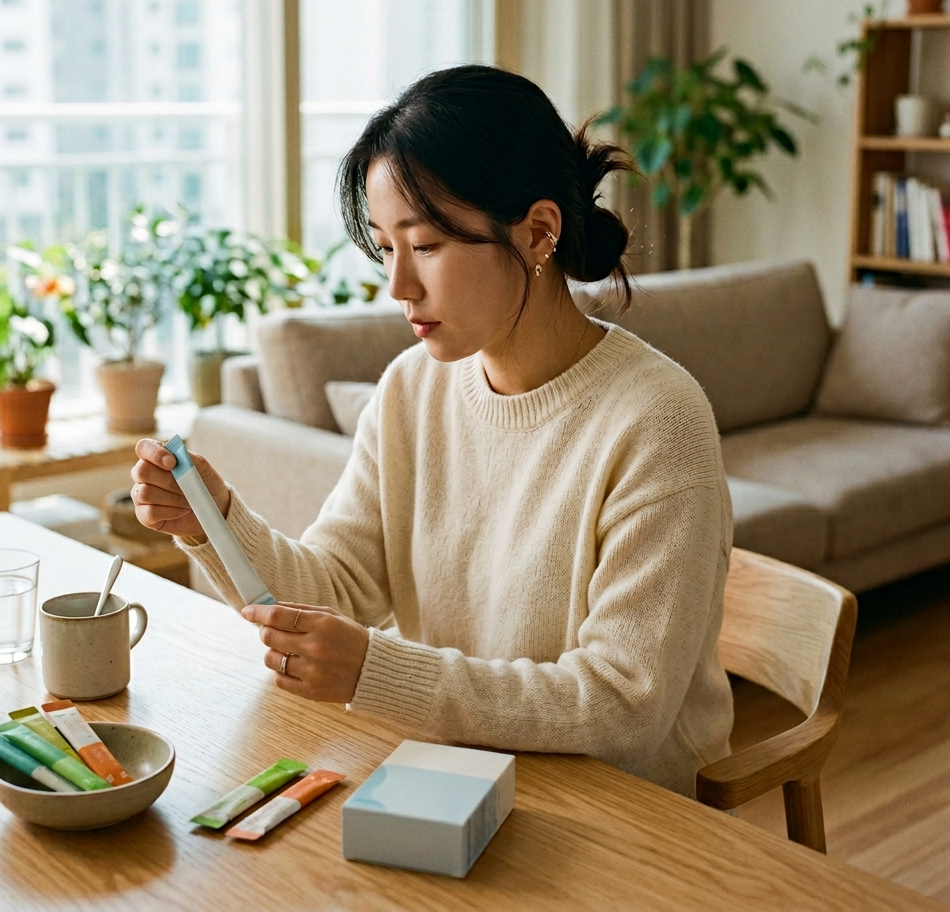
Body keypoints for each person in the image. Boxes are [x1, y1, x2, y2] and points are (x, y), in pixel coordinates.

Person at [132, 65, 733, 798]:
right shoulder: (410, 389)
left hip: (620, 810)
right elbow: (335, 590)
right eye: (386, 248)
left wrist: (376, 671)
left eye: (426, 247)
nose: (398, 287)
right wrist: (214, 523)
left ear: (539, 232)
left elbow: (622, 707)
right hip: (452, 776)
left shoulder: (657, 420)